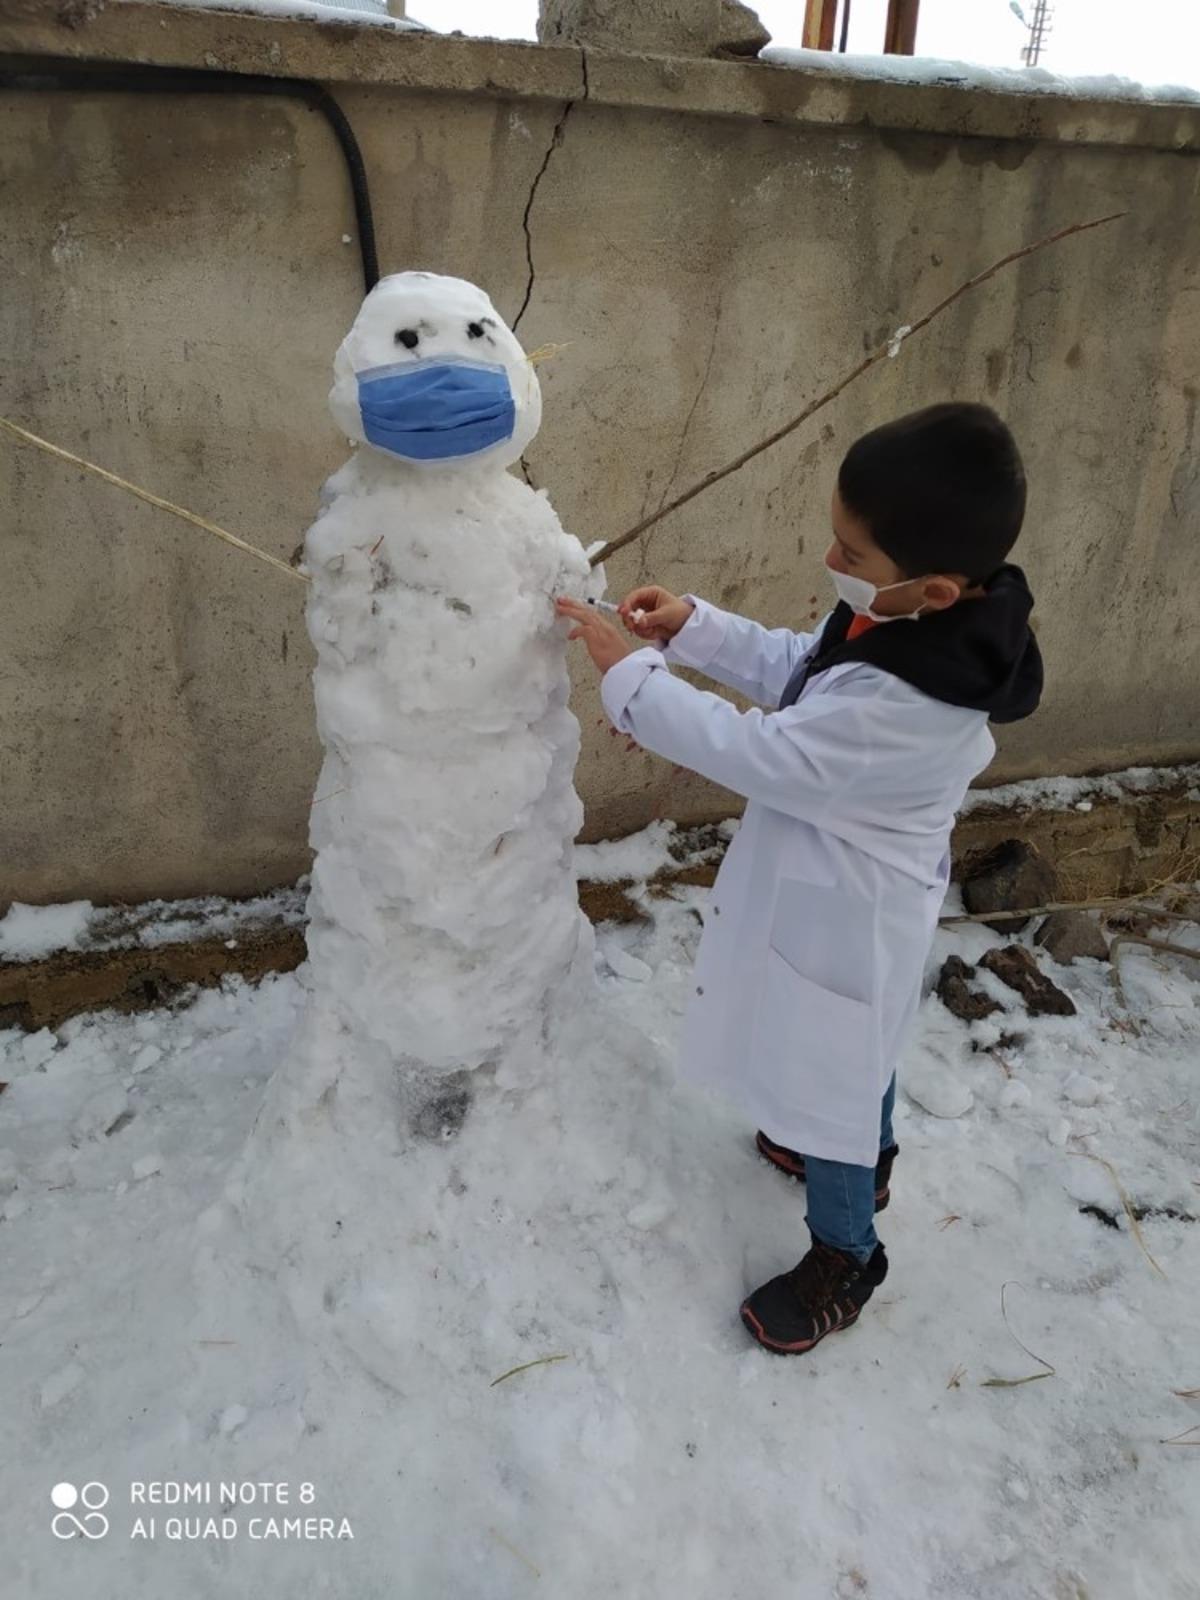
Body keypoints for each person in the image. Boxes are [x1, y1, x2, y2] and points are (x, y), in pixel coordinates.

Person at [555, 401, 1042, 1355]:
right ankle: (868, 1154)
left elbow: (764, 754)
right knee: (856, 1051)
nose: (831, 559)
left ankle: (847, 1252)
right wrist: (696, 630)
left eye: (850, 552)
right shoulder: (908, 619)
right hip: (839, 893)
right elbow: (807, 670)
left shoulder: (910, 703)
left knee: (836, 1077)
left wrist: (633, 680)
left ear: (938, 588)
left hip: (853, 914)